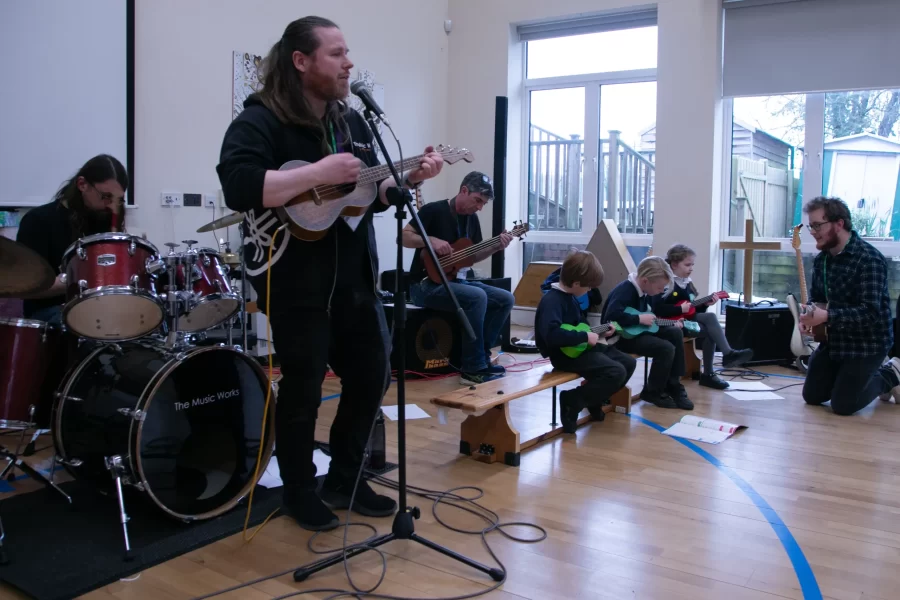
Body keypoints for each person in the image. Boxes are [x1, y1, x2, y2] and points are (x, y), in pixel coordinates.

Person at [216, 16, 443, 532]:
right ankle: (298, 489)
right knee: (304, 385)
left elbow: (367, 195)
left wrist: (403, 181)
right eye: (337, 53)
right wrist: (319, 173)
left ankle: (345, 476)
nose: (349, 62)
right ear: (302, 61)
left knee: (370, 376)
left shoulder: (353, 122)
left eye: (348, 53)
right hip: (293, 278)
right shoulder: (261, 119)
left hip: (354, 278)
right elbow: (239, 184)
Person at [402, 171, 515, 385]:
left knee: (505, 298)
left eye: (483, 203)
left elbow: (471, 256)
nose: (480, 207)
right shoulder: (434, 210)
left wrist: (495, 247)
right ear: (464, 190)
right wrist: (431, 240)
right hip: (425, 285)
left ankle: (481, 356)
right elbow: (404, 236)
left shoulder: (472, 220)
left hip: (455, 280)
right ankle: (472, 369)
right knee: (477, 296)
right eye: (477, 200)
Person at [799, 197, 900, 415]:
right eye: (811, 226)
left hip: (868, 343)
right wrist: (808, 316)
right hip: (834, 340)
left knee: (843, 405)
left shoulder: (869, 259)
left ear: (839, 224)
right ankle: (853, 379)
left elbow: (870, 313)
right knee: (812, 396)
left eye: (818, 225)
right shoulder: (822, 260)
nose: (813, 231)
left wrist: (826, 316)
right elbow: (817, 300)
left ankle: (890, 373)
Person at [15, 154, 128, 324]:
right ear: (82, 184)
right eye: (106, 197)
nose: (111, 205)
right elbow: (26, 288)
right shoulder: (38, 221)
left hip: (99, 308)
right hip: (49, 313)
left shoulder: (103, 217)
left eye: (118, 200)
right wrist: (80, 276)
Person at [535, 250, 636, 433]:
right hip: (564, 354)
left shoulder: (571, 297)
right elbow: (552, 335)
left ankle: (593, 398)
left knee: (628, 363)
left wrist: (602, 331)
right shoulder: (552, 301)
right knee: (615, 371)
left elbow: (580, 326)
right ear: (575, 283)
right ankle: (573, 400)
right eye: (588, 287)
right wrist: (584, 337)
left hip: (580, 348)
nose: (589, 291)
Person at [652, 244, 753, 390]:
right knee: (711, 332)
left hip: (686, 319)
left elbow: (691, 308)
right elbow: (658, 308)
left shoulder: (687, 283)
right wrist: (679, 308)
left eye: (692, 264)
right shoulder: (666, 283)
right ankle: (711, 371)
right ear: (674, 264)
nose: (691, 268)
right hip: (671, 324)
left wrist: (706, 304)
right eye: (687, 265)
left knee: (710, 316)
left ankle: (725, 355)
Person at [602, 256, 692, 410]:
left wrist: (670, 322)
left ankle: (673, 383)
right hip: (621, 337)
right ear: (645, 281)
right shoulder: (625, 290)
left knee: (675, 333)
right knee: (665, 348)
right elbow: (611, 317)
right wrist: (638, 318)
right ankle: (652, 391)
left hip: (638, 332)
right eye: (659, 288)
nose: (660, 291)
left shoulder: (647, 292)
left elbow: (651, 317)